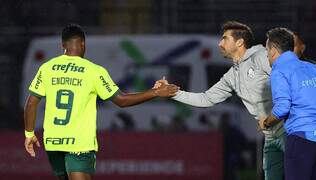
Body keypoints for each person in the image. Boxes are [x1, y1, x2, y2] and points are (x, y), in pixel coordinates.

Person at [23, 24, 179, 180]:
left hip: (53, 142)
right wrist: (156, 92)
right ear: (83, 44)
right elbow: (121, 100)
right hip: (79, 143)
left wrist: (29, 134)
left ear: (62, 45)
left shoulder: (47, 68)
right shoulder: (94, 71)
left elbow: (31, 103)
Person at [155, 21, 285, 180]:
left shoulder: (259, 57)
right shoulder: (232, 75)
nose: (220, 43)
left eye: (225, 39)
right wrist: (172, 93)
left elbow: (288, 74)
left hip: (290, 130)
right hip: (271, 138)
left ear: (239, 42)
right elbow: (206, 98)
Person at [260, 27, 316, 180]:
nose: (266, 55)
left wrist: (266, 123)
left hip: (301, 140)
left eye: (266, 50)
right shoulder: (313, 68)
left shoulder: (280, 70)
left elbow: (282, 108)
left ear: (273, 50)